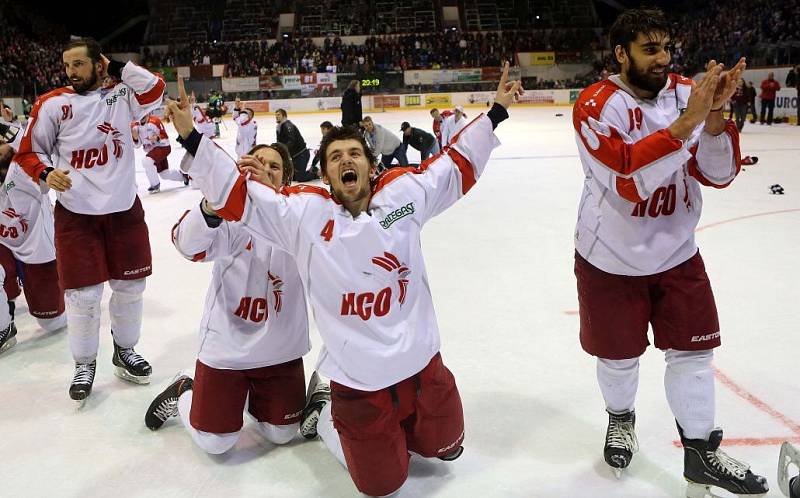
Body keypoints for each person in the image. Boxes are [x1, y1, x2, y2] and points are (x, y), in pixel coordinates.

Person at [166, 63, 522, 497]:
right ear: (327, 174)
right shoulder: (304, 215)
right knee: (385, 486)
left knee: (446, 451)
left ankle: (393, 431)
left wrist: (497, 111)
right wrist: (191, 137)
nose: (345, 160)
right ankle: (335, 422)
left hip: (422, 368)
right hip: (360, 384)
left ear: (371, 165)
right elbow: (238, 196)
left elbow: (457, 166)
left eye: (354, 153)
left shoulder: (403, 196)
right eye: (334, 157)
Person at [572, 8, 768, 496]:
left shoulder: (688, 93)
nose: (663, 59)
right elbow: (628, 184)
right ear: (621, 54)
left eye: (666, 48)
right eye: (649, 49)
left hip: (678, 253)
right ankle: (621, 419)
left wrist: (717, 116)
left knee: (695, 355)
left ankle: (700, 453)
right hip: (610, 260)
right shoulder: (597, 106)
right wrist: (689, 123)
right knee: (619, 359)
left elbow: (719, 174)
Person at [14, 37, 161, 402]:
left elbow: (155, 88)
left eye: (78, 64)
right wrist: (47, 174)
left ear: (99, 65)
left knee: (130, 288)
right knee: (82, 296)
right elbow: (28, 152)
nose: (70, 72)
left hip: (124, 210)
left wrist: (116, 68)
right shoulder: (52, 104)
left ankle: (124, 350)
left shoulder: (122, 96)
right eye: (67, 66)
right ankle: (84, 363)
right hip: (77, 216)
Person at [144, 141, 313, 454]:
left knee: (282, 433)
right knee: (216, 442)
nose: (264, 170)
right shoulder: (230, 215)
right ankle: (185, 389)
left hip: (280, 350)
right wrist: (212, 206)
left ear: (285, 180)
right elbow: (187, 245)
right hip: (228, 349)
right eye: (257, 162)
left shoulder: (301, 216)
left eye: (274, 167)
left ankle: (253, 395)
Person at [0, 129, 66, 354]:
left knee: (52, 323)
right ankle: (3, 325)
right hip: (4, 245)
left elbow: (37, 149)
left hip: (37, 250)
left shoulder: (22, 166)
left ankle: (72, 291)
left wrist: (5, 127)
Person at [131, 113, 188, 193]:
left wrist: (157, 138)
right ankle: (184, 176)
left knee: (146, 161)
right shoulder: (135, 126)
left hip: (163, 147)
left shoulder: (155, 121)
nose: (141, 117)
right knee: (164, 174)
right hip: (153, 152)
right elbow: (137, 145)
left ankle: (155, 185)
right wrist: (135, 138)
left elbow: (165, 138)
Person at [275, 108, 317, 182]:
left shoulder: (288, 125)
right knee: (292, 177)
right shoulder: (279, 127)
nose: (276, 117)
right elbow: (280, 142)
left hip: (301, 155)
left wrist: (282, 149)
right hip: (295, 156)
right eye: (276, 115)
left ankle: (316, 173)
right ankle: (306, 172)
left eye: (278, 115)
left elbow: (291, 141)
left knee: (300, 178)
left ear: (284, 116)